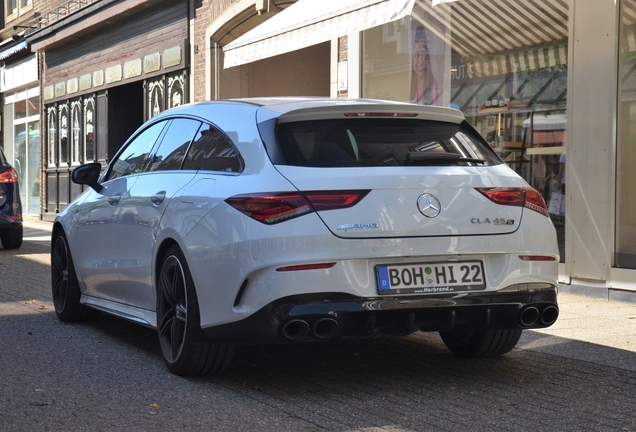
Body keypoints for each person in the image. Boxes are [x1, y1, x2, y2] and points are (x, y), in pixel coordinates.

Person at [410, 25, 438, 106]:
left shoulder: (432, 82)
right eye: (417, 55)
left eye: (424, 55)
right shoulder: (408, 82)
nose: (421, 60)